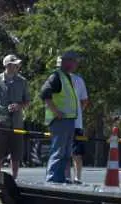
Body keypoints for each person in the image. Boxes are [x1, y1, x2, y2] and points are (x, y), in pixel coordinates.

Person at [0, 54, 30, 183]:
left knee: (16, 154)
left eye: (18, 64)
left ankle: (14, 179)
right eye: (14, 64)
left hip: (17, 123)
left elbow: (27, 101)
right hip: (1, 122)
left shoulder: (22, 81)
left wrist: (19, 106)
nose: (17, 66)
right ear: (7, 65)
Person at [40, 51, 80, 183]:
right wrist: (56, 111)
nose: (76, 64)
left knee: (66, 152)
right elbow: (45, 93)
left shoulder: (67, 77)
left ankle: (61, 178)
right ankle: (52, 179)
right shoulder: (56, 76)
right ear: (67, 62)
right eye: (74, 61)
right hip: (60, 121)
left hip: (69, 120)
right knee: (58, 151)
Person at [56, 55, 89, 185]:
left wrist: (77, 112)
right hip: (60, 122)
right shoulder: (55, 80)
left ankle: (78, 177)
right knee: (63, 152)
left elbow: (84, 100)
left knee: (77, 152)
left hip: (76, 123)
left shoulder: (78, 80)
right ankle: (66, 176)